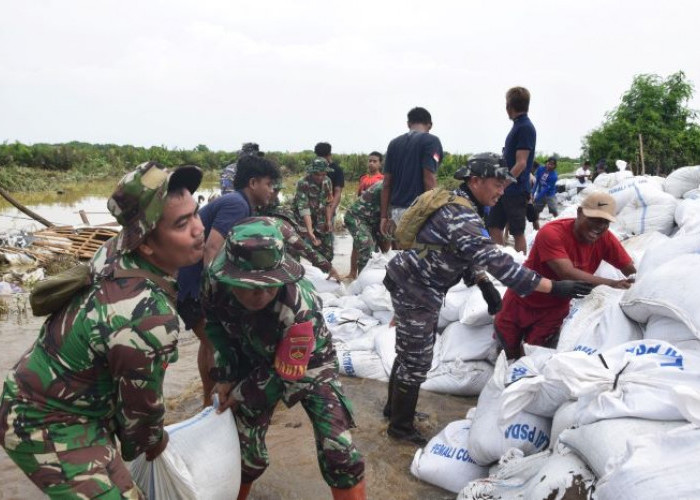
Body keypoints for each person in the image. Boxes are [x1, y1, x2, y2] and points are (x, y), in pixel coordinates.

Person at [0, 162, 205, 498]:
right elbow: (140, 429)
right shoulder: (147, 318)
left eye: (195, 214)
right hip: (42, 421)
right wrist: (159, 440)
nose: (198, 228)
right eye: (182, 223)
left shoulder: (115, 252)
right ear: (147, 244)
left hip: (74, 404)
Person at [382, 153, 594, 446]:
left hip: (415, 282)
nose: (501, 191)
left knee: (411, 351)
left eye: (505, 185)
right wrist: (553, 287)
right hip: (416, 288)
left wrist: (482, 284)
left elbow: (463, 251)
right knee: (417, 356)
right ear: (475, 180)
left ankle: (394, 411)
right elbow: (499, 263)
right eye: (497, 184)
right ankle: (400, 427)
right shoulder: (461, 214)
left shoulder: (462, 204)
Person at [202, 218, 366, 500]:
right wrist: (227, 376)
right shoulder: (214, 287)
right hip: (249, 355)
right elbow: (217, 331)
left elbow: (286, 374)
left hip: (310, 364)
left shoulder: (300, 308)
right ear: (231, 277)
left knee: (338, 452)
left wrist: (241, 393)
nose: (261, 294)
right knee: (242, 452)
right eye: (251, 286)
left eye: (270, 285)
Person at [177, 155, 281, 406]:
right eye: (269, 184)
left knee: (207, 344)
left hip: (186, 283)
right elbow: (212, 249)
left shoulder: (238, 203)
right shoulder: (237, 204)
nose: (272, 190)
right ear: (253, 182)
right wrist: (216, 294)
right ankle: (215, 402)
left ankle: (207, 399)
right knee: (214, 343)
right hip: (194, 287)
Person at [494, 192, 636, 360]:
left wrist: (636, 283)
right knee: (507, 352)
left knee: (532, 357)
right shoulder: (551, 232)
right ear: (579, 213)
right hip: (521, 301)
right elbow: (566, 273)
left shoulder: (605, 239)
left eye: (605, 222)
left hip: (554, 310)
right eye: (594, 219)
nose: (599, 227)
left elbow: (630, 269)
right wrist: (613, 284)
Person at [260, 179, 342, 282]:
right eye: (274, 190)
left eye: (277, 191)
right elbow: (299, 244)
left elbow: (298, 241)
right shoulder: (250, 209)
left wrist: (327, 266)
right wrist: (328, 267)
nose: (274, 194)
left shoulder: (280, 212)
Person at [380, 107, 443, 239]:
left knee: (400, 255)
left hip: (396, 212)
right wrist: (433, 213)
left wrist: (384, 217)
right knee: (419, 255)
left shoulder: (394, 143)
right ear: (430, 125)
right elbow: (429, 178)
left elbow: (386, 183)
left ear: (408, 124)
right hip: (417, 212)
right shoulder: (431, 141)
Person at [487, 87, 536, 254]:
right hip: (505, 190)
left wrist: (503, 186)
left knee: (517, 232)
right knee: (493, 225)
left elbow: (521, 163)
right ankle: (501, 262)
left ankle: (521, 267)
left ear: (509, 106)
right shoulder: (518, 126)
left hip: (515, 189)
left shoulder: (525, 128)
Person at [344, 181, 391, 280]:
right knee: (367, 246)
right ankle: (363, 281)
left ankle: (357, 274)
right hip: (357, 216)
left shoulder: (403, 188)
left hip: (375, 219)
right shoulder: (385, 187)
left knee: (385, 248)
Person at [293, 157, 335, 262]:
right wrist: (310, 230)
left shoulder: (327, 181)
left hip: (320, 216)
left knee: (327, 250)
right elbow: (304, 208)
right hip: (303, 219)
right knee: (299, 248)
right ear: (311, 172)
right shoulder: (303, 183)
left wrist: (328, 220)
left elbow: (328, 203)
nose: (320, 177)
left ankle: (324, 271)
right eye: (317, 174)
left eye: (323, 174)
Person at [315, 142, 344, 224]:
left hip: (328, 208)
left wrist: (330, 213)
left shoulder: (337, 170)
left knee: (327, 233)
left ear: (329, 155)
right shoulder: (314, 168)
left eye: (323, 157)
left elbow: (338, 192)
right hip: (313, 209)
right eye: (319, 157)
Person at [532, 156, 559, 227]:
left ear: (555, 166)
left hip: (550, 194)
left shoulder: (554, 176)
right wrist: (532, 193)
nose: (549, 165)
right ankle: (536, 229)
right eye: (549, 163)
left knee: (554, 210)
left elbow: (546, 189)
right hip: (540, 192)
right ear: (546, 162)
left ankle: (558, 223)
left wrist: (536, 198)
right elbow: (537, 181)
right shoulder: (540, 169)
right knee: (536, 211)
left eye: (552, 164)